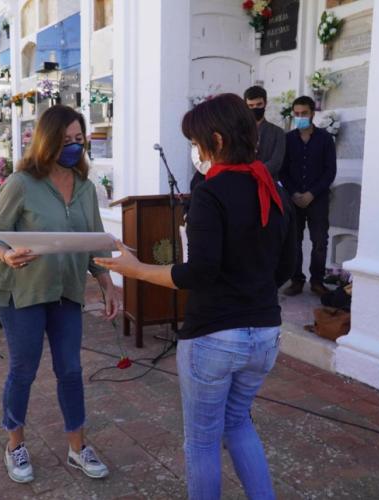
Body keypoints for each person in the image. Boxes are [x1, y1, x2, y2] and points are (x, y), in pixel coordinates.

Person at [95, 94, 296, 499]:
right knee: (238, 424)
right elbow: (286, 269)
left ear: (216, 140)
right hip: (264, 334)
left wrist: (136, 270)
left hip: (214, 337)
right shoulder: (274, 189)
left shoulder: (210, 192)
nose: (195, 152)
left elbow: (198, 273)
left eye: (195, 142)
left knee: (203, 440)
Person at [0, 105, 121, 484]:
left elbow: (95, 242)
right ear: (48, 142)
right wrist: (5, 254)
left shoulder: (86, 188)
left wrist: (107, 284)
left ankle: (78, 447)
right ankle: (15, 444)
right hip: (23, 292)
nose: (74, 146)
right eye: (65, 140)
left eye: (79, 139)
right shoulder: (22, 183)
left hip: (66, 292)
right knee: (23, 370)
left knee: (71, 370)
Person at [279, 95, 337, 297]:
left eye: (304, 113)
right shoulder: (287, 139)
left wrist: (312, 193)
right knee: (294, 241)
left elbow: (330, 171)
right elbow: (282, 171)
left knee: (320, 241)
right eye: (297, 113)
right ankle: (296, 280)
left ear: (312, 114)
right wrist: (294, 193)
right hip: (293, 199)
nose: (300, 117)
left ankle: (317, 281)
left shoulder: (325, 139)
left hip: (317, 198)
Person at [244, 85, 286, 181]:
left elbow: (276, 162)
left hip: (268, 182)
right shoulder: (239, 132)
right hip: (244, 182)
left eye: (259, 104)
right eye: (251, 106)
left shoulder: (278, 132)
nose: (255, 108)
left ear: (265, 103)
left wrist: (254, 173)